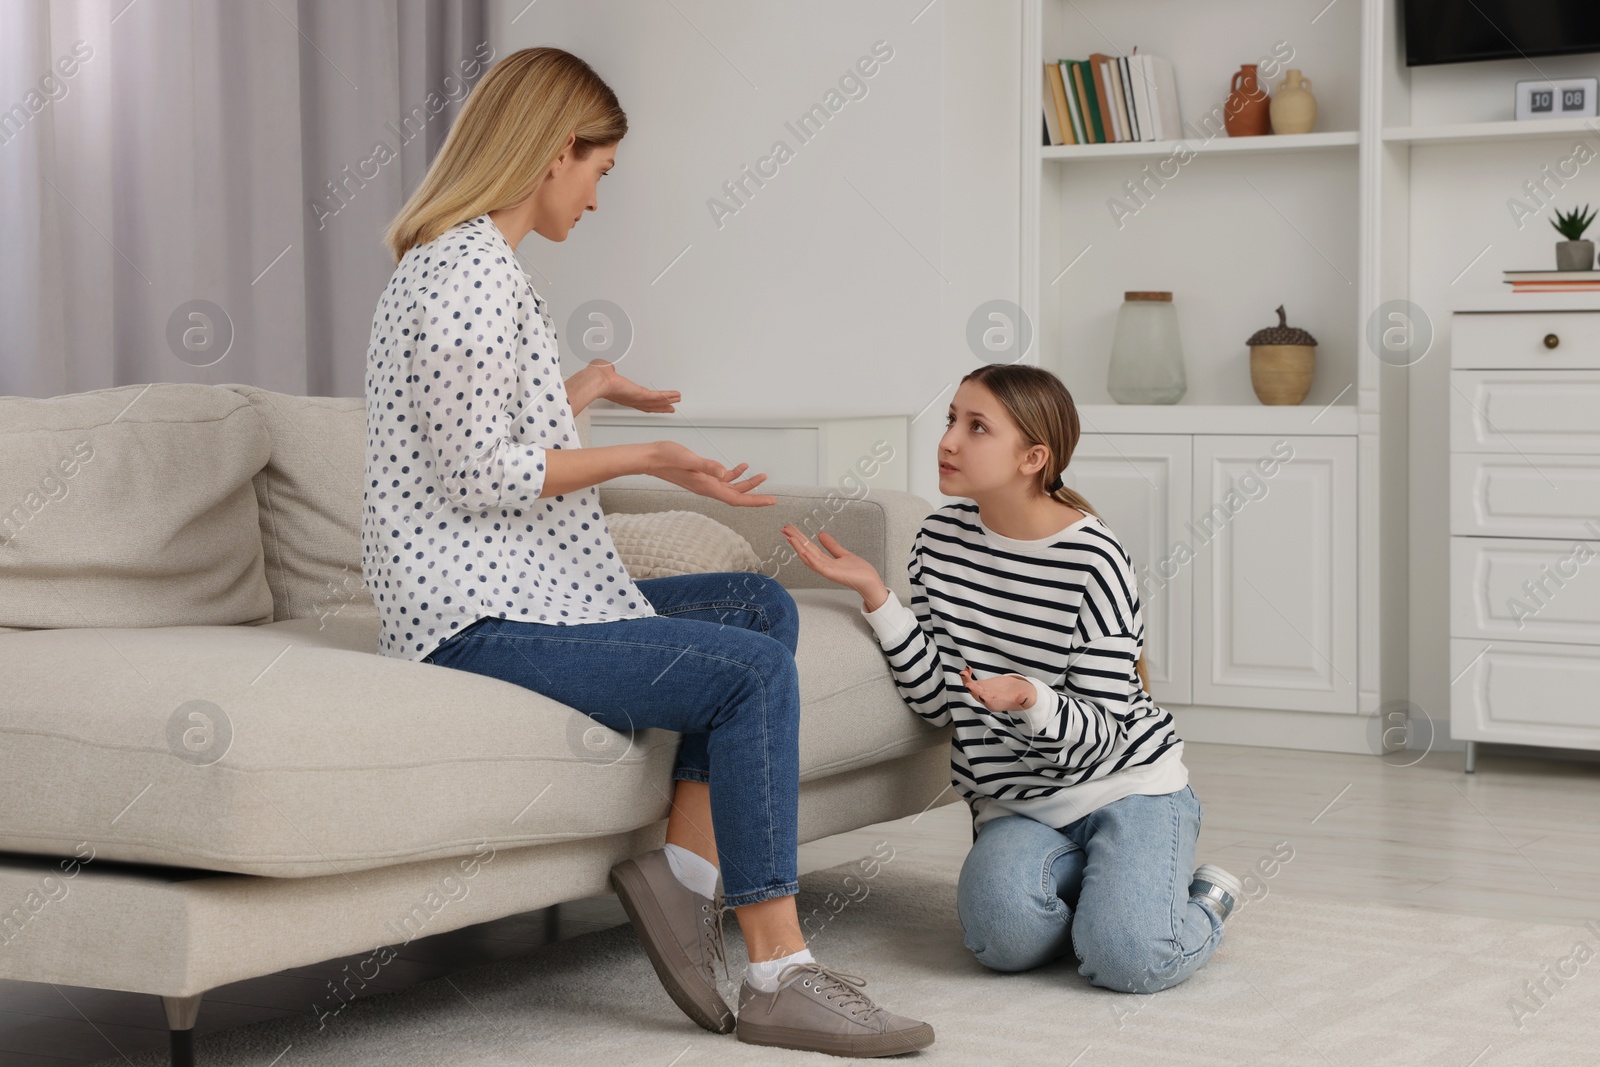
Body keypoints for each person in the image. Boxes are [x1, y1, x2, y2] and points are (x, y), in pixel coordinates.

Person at [360, 46, 933, 1057]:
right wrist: (656, 457)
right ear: (551, 153)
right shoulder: (461, 276)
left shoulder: (475, 264)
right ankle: (776, 970)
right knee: (751, 672)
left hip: (526, 585)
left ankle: (683, 874)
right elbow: (473, 474)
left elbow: (472, 423)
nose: (595, 195)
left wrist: (578, 389)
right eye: (599, 171)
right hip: (473, 614)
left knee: (762, 606)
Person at [782, 363, 1243, 995]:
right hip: (1016, 804)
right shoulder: (938, 542)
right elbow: (936, 702)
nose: (948, 441)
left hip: (1124, 789)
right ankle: (1105, 890)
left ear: (1032, 457)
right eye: (951, 420)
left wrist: (1034, 699)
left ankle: (1203, 900)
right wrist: (877, 596)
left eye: (977, 427)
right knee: (1001, 941)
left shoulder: (1095, 560)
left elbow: (1106, 735)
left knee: (1127, 961)